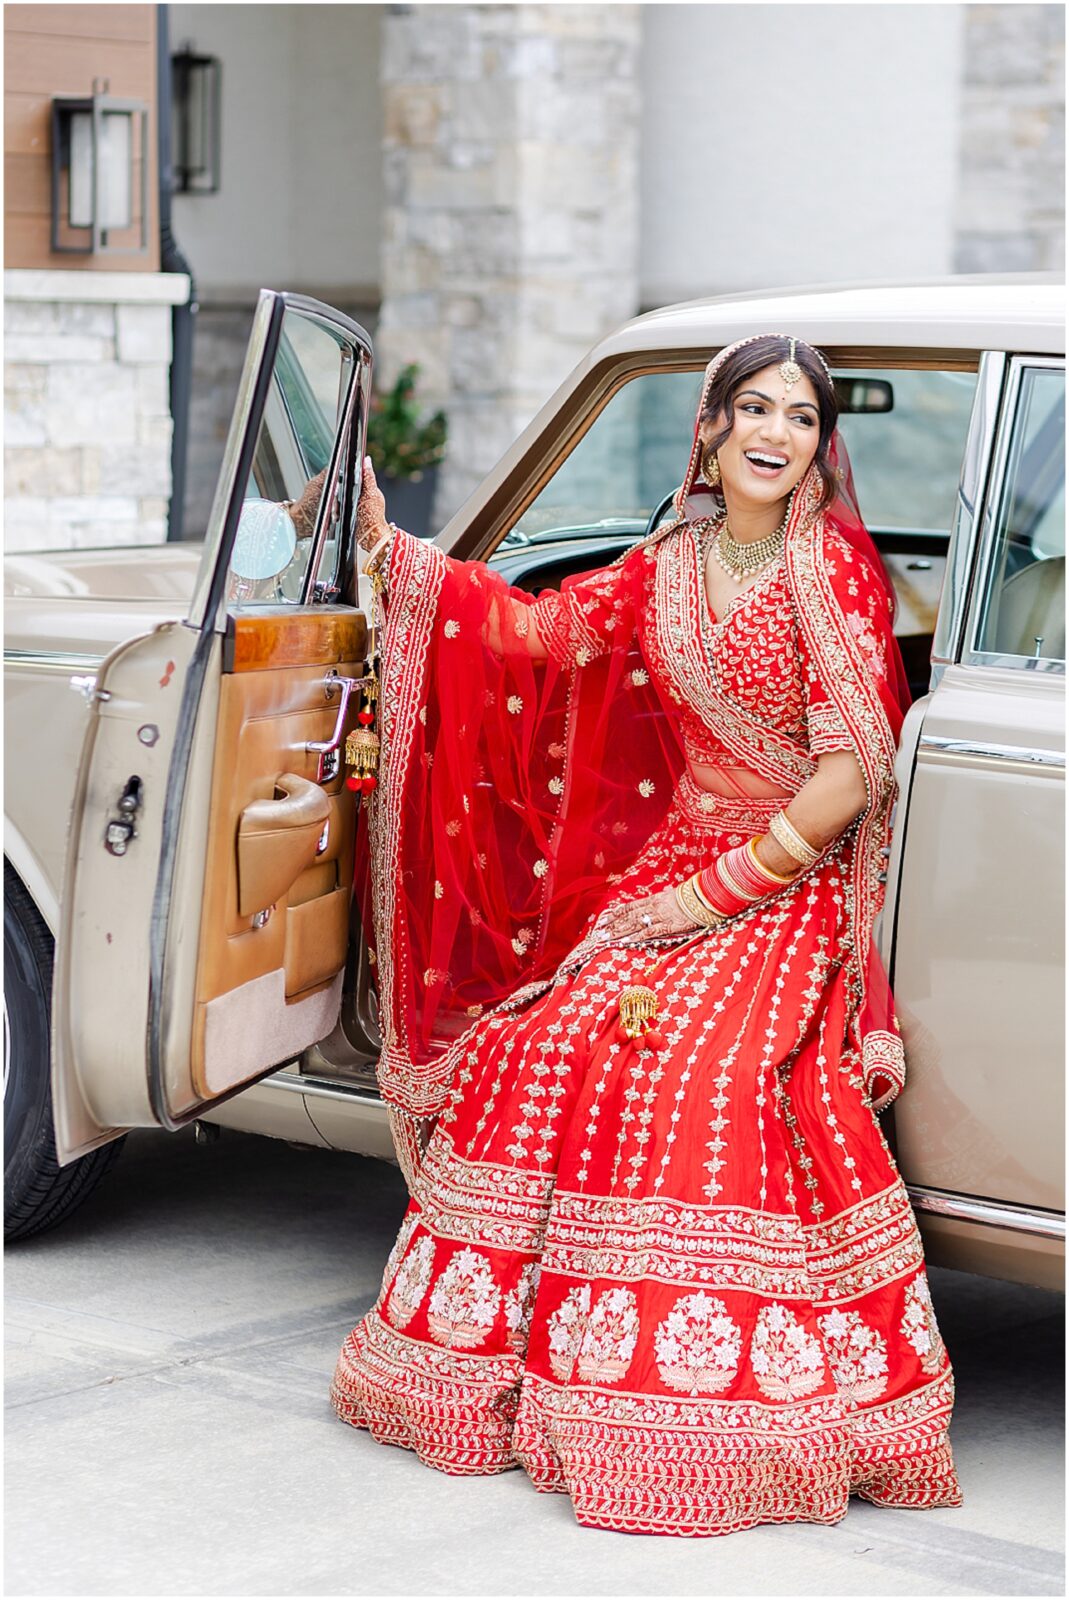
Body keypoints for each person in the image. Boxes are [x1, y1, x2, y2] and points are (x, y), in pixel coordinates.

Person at [330, 333, 963, 1537]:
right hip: (675, 856)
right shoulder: (670, 561)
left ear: (819, 449)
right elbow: (541, 639)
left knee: (696, 1070)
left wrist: (700, 901)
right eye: (754, 410)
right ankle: (507, 1370)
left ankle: (694, 1404)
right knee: (540, 1040)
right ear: (713, 429)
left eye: (800, 417)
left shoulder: (826, 574)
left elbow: (843, 784)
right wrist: (390, 555)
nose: (776, 433)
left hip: (781, 881)